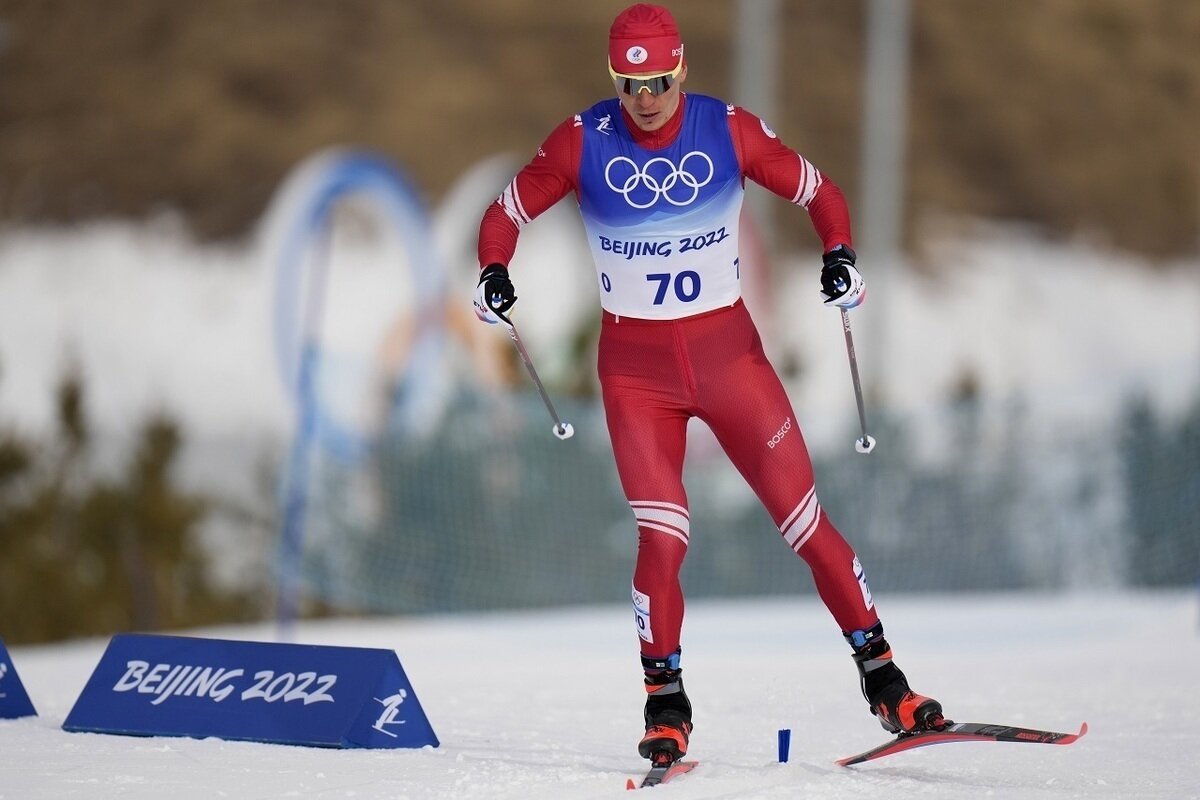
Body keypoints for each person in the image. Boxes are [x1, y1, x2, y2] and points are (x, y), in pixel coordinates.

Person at [472, 3, 944, 764]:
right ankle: (666, 705)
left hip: (731, 362)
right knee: (662, 540)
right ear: (613, 82)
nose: (646, 98)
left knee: (807, 526)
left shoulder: (727, 130)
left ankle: (886, 681)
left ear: (682, 68)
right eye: (629, 85)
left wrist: (840, 254)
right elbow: (504, 212)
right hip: (636, 377)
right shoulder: (582, 140)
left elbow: (821, 193)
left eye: (658, 80)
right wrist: (493, 270)